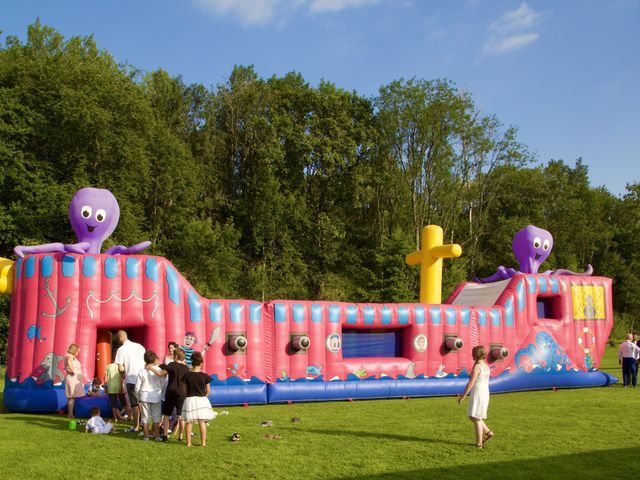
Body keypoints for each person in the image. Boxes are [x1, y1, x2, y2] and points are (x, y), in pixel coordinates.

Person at [149, 347, 190, 441]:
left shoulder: (171, 365)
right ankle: (180, 435)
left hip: (171, 391)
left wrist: (150, 368)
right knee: (181, 415)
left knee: (167, 415)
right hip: (182, 393)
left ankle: (165, 435)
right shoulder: (186, 368)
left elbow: (160, 374)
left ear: (175, 356)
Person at [457, 345, 494, 448]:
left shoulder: (478, 367)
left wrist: (463, 396)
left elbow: (471, 383)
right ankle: (488, 432)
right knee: (473, 416)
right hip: (484, 392)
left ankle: (479, 444)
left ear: (476, 355)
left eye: (472, 353)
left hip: (478, 393)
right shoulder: (486, 366)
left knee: (476, 418)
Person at [114, 330, 146, 432]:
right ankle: (144, 424)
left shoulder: (121, 350)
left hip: (132, 379)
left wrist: (123, 374)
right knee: (142, 402)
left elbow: (120, 368)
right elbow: (146, 362)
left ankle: (136, 426)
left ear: (120, 338)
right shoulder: (140, 346)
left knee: (134, 404)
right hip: (143, 378)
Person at [181, 352, 214, 447]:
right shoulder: (205, 376)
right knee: (202, 421)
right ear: (201, 363)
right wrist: (204, 397)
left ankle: (188, 443)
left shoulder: (187, 375)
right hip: (202, 400)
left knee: (189, 422)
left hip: (190, 399)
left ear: (192, 363)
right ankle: (203, 443)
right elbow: (208, 390)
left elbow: (184, 389)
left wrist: (188, 396)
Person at [135, 350, 166, 442]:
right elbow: (162, 384)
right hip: (156, 395)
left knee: (145, 417)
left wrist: (138, 397)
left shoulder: (141, 371)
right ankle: (156, 436)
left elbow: (137, 387)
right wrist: (159, 392)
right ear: (154, 359)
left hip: (144, 396)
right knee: (156, 417)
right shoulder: (159, 370)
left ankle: (146, 437)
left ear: (145, 360)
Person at [63, 343, 84, 419]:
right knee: (72, 397)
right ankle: (70, 414)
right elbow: (69, 363)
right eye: (77, 351)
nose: (78, 353)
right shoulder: (70, 356)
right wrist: (73, 372)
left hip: (72, 378)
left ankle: (70, 414)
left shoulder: (67, 355)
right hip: (73, 378)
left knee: (71, 397)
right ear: (74, 350)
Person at [105, 355, 126, 421]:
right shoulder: (121, 367)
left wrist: (106, 387)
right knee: (124, 403)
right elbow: (123, 377)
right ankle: (129, 416)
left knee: (113, 404)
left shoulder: (108, 366)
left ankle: (115, 418)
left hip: (111, 386)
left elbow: (105, 379)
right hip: (119, 386)